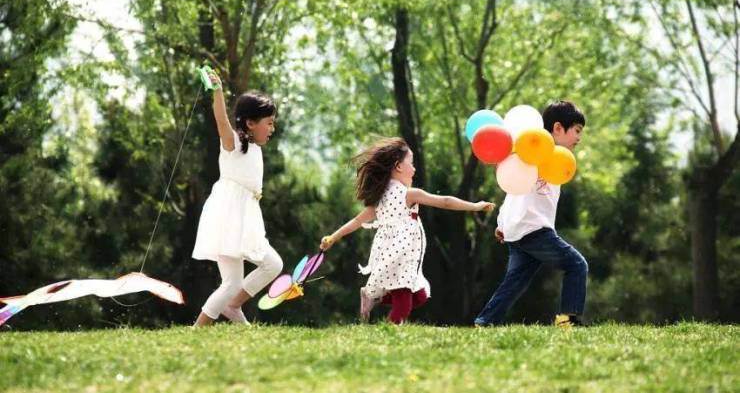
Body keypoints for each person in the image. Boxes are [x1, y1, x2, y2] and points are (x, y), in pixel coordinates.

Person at [320, 137, 494, 324]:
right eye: (411, 163)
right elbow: (445, 202)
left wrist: (333, 237)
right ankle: (389, 330)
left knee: (419, 296)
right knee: (404, 303)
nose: (414, 169)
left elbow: (356, 221)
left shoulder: (381, 197)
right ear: (398, 167)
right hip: (400, 253)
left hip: (395, 252)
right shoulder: (408, 194)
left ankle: (374, 297)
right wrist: (475, 206)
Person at [474, 100, 587, 328]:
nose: (579, 138)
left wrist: (502, 223)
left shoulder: (555, 159)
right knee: (577, 265)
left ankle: (484, 321)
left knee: (514, 281)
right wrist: (502, 223)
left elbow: (513, 192)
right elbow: (513, 184)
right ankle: (567, 321)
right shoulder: (533, 152)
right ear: (558, 128)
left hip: (519, 230)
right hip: (533, 229)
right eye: (576, 130)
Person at [191, 71, 282, 327]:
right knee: (236, 281)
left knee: (269, 266)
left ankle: (231, 306)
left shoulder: (254, 148)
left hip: (245, 217)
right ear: (250, 123)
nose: (272, 129)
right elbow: (222, 121)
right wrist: (218, 91)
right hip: (229, 216)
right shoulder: (233, 143)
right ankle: (199, 328)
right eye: (269, 123)